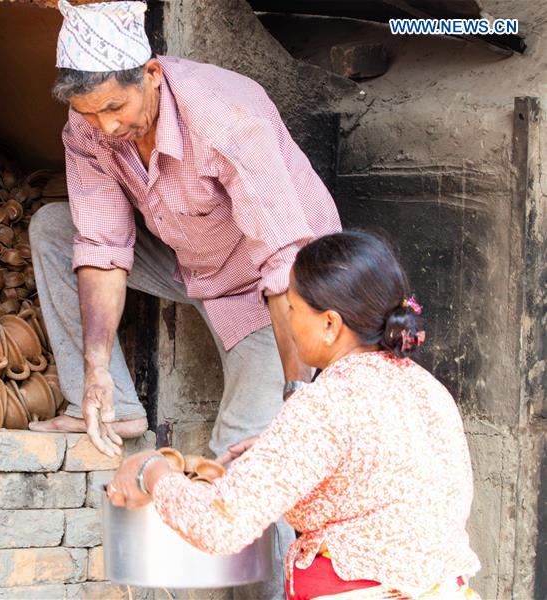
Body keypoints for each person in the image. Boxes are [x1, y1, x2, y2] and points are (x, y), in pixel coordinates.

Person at [29, 4, 339, 594]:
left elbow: (283, 261)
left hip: (269, 282)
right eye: (88, 115)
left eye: (115, 108)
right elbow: (102, 242)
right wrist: (94, 368)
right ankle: (111, 404)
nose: (106, 129)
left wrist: (297, 393)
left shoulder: (226, 114)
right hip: (190, 257)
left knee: (244, 463)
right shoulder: (89, 129)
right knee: (53, 229)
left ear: (149, 72)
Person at [106, 231, 482, 599]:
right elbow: (379, 475)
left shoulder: (327, 402)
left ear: (330, 325)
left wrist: (149, 471)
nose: (285, 320)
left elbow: (219, 526)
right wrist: (283, 452)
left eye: (293, 309)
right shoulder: (427, 388)